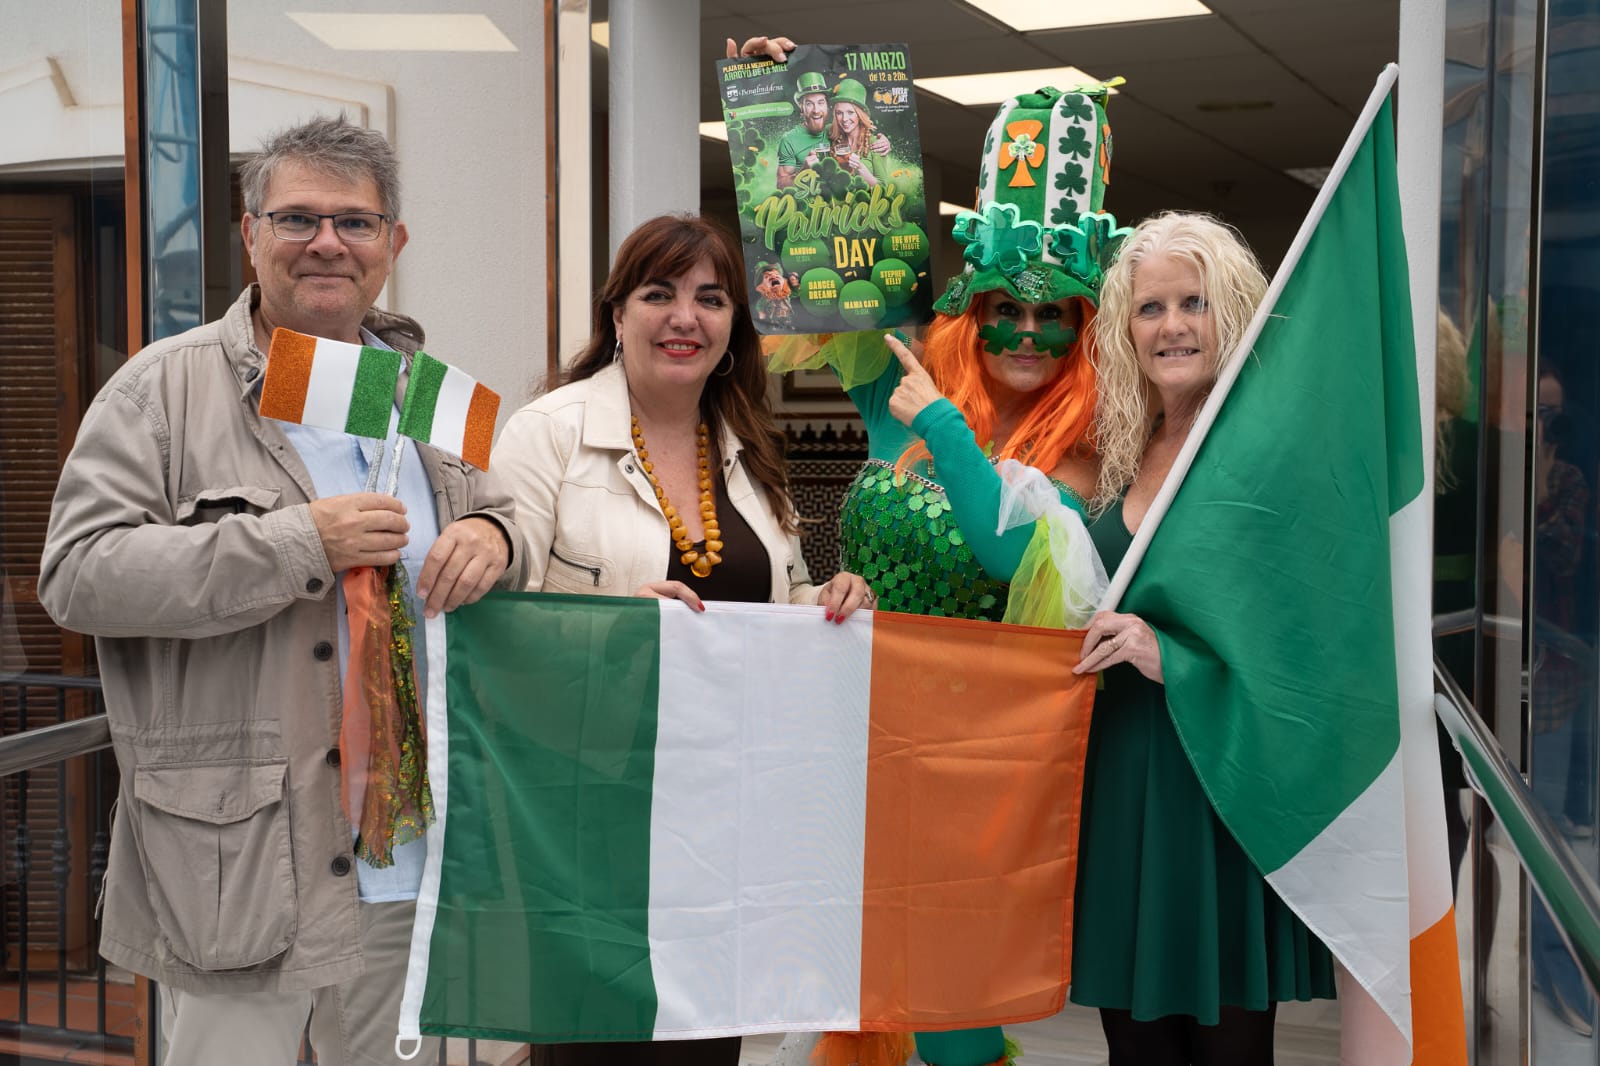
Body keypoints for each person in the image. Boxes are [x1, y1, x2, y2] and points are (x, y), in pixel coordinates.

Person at [36, 116, 526, 1066]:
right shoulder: (160, 392)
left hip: (412, 854)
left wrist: (495, 534)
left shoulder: (421, 391)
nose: (328, 243)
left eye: (356, 222)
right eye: (298, 218)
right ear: (250, 232)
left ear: (394, 245)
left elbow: (512, 516)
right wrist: (298, 541)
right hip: (241, 862)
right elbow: (79, 574)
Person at [772, 84, 1119, 1066]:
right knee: (862, 969)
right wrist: (800, 99)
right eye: (1005, 308)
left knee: (954, 998)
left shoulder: (1088, 451)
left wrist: (942, 429)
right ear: (974, 311)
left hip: (978, 754)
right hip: (858, 730)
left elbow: (1015, 550)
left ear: (1082, 326)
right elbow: (832, 265)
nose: (1025, 333)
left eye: (1052, 315)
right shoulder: (895, 382)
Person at [490, 213, 874, 1066]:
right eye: (658, 294)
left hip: (723, 816)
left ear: (734, 323)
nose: (684, 317)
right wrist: (617, 624)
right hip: (589, 814)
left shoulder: (751, 444)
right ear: (616, 312)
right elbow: (496, 623)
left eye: (710, 298)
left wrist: (830, 597)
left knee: (705, 1047)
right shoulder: (546, 432)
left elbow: (777, 595)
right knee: (599, 1049)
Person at [1067, 212, 1336, 1064]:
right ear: (1124, 329)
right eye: (1151, 309)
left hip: (1218, 791)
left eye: (1195, 302)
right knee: (1135, 1048)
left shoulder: (1267, 460)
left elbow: (1306, 650)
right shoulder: (1118, 455)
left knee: (1227, 1052)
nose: (1173, 325)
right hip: (1118, 787)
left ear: (1235, 313)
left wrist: (1167, 657)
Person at [828, 78, 889, 189]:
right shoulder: (834, 138)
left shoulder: (876, 144)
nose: (844, 119)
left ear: (860, 115)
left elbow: (882, 189)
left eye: (850, 112)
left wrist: (860, 167)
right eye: (839, 113)